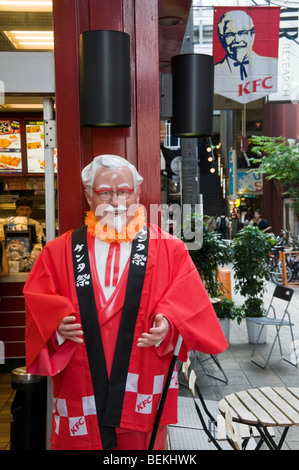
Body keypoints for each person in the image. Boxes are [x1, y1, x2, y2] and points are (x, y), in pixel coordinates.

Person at [24, 154, 228, 451]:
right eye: (104, 192)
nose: (116, 201)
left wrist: (170, 324)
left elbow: (191, 305)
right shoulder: (57, 252)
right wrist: (56, 326)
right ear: (88, 196)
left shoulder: (171, 251)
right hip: (82, 379)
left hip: (142, 379)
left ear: (138, 193)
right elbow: (37, 300)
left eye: (124, 191)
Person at [214, 10, 278, 103]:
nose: (237, 39)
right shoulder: (214, 72)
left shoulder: (272, 65)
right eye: (230, 34)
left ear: (252, 35)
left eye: (242, 33)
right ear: (222, 39)